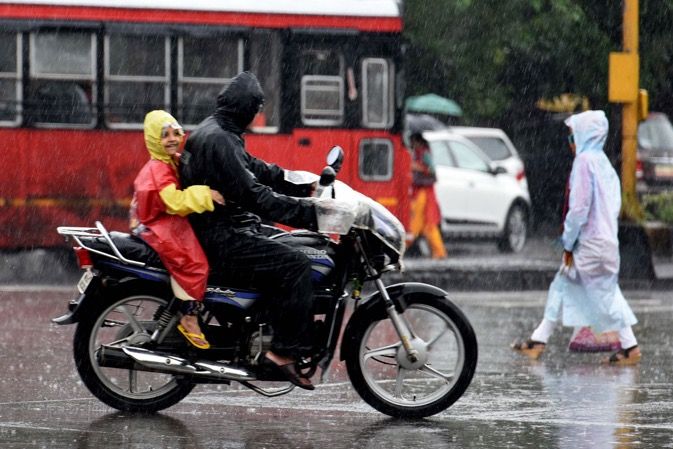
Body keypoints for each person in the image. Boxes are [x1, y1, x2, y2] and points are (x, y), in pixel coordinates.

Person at [179, 71, 318, 390]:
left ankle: (265, 326)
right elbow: (253, 194)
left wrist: (303, 186)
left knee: (289, 243)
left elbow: (256, 170)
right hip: (223, 236)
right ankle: (281, 352)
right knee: (297, 264)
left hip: (224, 226)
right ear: (246, 108)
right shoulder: (219, 139)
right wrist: (307, 214)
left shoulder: (219, 131)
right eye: (255, 109)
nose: (256, 116)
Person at [512, 110, 640, 365]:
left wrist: (568, 242)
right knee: (577, 287)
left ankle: (630, 347)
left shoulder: (583, 162)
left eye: (572, 134)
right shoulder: (603, 164)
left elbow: (579, 208)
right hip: (606, 241)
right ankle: (539, 340)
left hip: (589, 243)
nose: (570, 140)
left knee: (599, 293)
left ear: (584, 134)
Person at [131, 110, 225, 350]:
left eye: (176, 133)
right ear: (153, 140)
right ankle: (189, 316)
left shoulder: (168, 160)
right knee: (193, 263)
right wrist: (207, 195)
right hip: (161, 223)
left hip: (161, 219)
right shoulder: (159, 169)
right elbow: (173, 202)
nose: (172, 139)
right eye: (165, 135)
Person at [407, 132, 447, 259]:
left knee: (416, 224)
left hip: (423, 193)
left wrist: (417, 167)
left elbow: (432, 170)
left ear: (418, 141)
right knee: (428, 225)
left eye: (412, 141)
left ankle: (400, 250)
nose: (411, 144)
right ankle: (439, 252)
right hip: (421, 192)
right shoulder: (418, 153)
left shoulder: (424, 153)